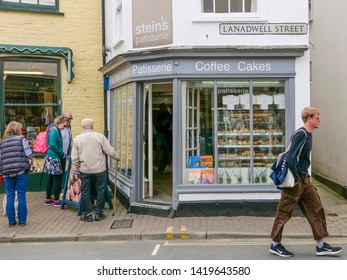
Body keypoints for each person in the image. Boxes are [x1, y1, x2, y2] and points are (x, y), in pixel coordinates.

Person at [269, 107, 342, 257]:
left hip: (304, 180)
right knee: (284, 212)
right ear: (309, 119)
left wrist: (303, 178)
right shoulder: (301, 134)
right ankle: (275, 244)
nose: (319, 119)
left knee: (316, 209)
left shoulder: (308, 135)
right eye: (317, 117)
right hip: (297, 181)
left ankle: (321, 245)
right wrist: (297, 178)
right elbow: (290, 158)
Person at [71, 118, 120, 222]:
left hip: (84, 170)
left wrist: (76, 169)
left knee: (85, 192)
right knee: (100, 190)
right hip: (99, 169)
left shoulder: (77, 139)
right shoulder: (100, 137)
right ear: (92, 126)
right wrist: (117, 157)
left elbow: (74, 158)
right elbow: (109, 151)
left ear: (83, 127)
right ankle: (99, 214)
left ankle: (88, 215)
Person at [0, 121, 33, 226]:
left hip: (6, 172)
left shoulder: (2, 141)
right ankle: (22, 221)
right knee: (21, 195)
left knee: (9, 195)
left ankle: (11, 222)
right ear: (17, 129)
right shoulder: (21, 139)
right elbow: (29, 154)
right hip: (20, 170)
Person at [43, 116, 67, 207]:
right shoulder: (54, 130)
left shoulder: (54, 129)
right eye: (64, 125)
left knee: (51, 178)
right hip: (54, 157)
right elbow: (52, 144)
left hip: (51, 157)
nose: (64, 127)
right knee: (56, 179)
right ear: (60, 122)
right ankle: (57, 200)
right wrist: (61, 153)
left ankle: (48, 199)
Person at [153, 103, 172, 172]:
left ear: (166, 107)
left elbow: (164, 123)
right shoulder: (159, 114)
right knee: (157, 149)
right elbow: (154, 122)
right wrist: (159, 123)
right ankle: (155, 165)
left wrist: (158, 123)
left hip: (166, 134)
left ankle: (168, 166)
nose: (161, 109)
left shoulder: (169, 115)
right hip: (159, 133)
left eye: (162, 107)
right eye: (160, 108)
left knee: (168, 151)